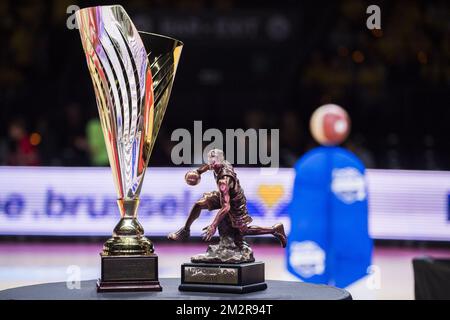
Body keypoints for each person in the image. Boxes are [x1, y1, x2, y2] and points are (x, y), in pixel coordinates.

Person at [168, 149, 287, 248]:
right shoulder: (219, 163)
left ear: (220, 160)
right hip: (223, 195)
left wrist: (213, 225)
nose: (211, 163)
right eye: (210, 160)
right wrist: (198, 172)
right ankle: (185, 230)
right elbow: (208, 167)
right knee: (199, 204)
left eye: (214, 161)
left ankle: (274, 229)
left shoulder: (223, 181)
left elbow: (226, 206)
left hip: (235, 202)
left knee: (243, 230)